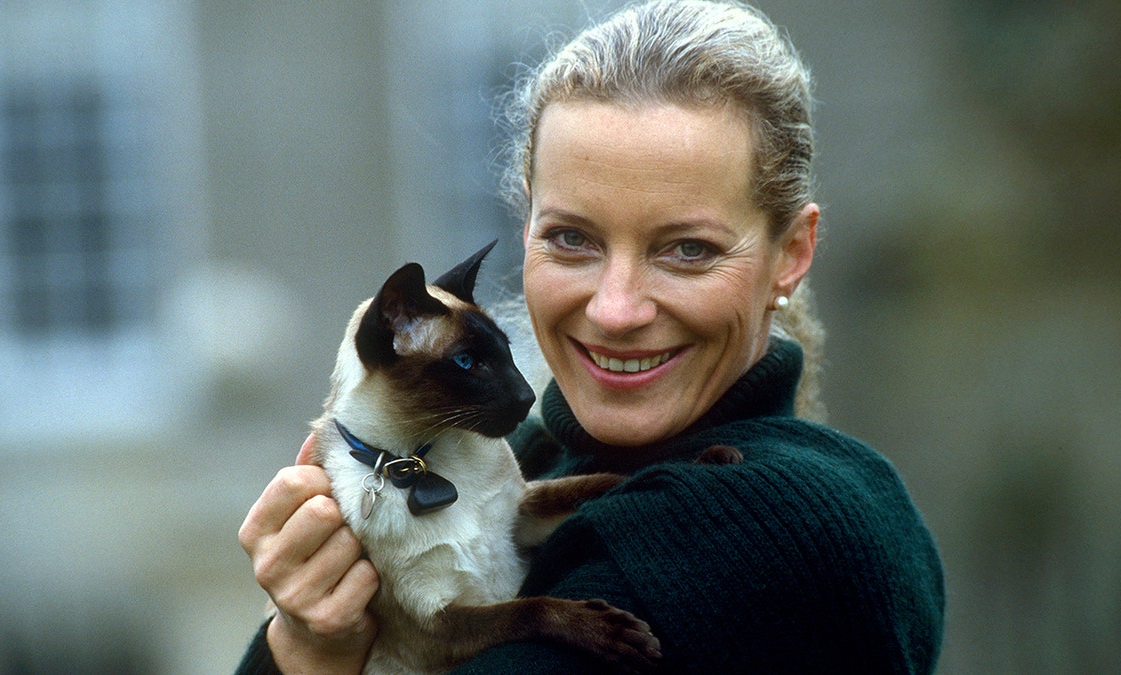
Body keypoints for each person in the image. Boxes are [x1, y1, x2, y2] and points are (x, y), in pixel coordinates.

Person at [235, 1, 945, 672]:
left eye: (688, 248)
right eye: (572, 238)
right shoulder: (511, 456)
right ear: (527, 235)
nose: (615, 308)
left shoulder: (769, 519)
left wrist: (309, 657)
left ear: (791, 253)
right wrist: (312, 635)